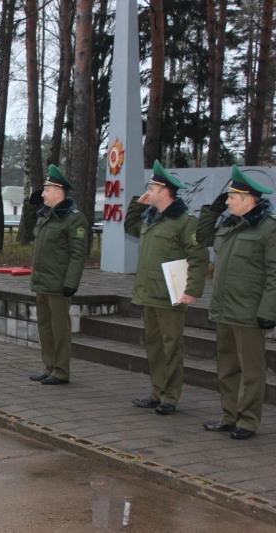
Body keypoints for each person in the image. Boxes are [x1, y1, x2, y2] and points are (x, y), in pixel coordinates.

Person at [124, 160, 209, 415]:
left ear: (164, 191)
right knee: (154, 347)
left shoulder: (185, 221)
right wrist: (135, 204)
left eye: (152, 187)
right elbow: (130, 227)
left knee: (172, 347)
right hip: (149, 293)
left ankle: (170, 397)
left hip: (170, 294)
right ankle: (157, 392)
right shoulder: (150, 218)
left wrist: (193, 290)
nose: (148, 190)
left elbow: (199, 256)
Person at [196, 166, 276, 440]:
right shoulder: (228, 225)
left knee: (252, 371)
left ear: (249, 199)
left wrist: (268, 311)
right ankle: (230, 416)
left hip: (249, 313)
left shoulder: (268, 228)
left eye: (231, 197)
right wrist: (212, 212)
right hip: (224, 310)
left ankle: (248, 421)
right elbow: (200, 238)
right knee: (227, 368)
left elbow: (274, 273)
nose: (227, 201)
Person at [22, 165, 88, 385]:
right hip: (42, 282)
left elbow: (78, 255)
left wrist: (71, 284)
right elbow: (32, 232)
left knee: (59, 330)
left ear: (59, 192)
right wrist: (32, 207)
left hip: (59, 285)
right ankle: (49, 366)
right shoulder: (47, 216)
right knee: (45, 329)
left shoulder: (73, 219)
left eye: (46, 190)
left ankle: (61, 370)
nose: (42, 194)